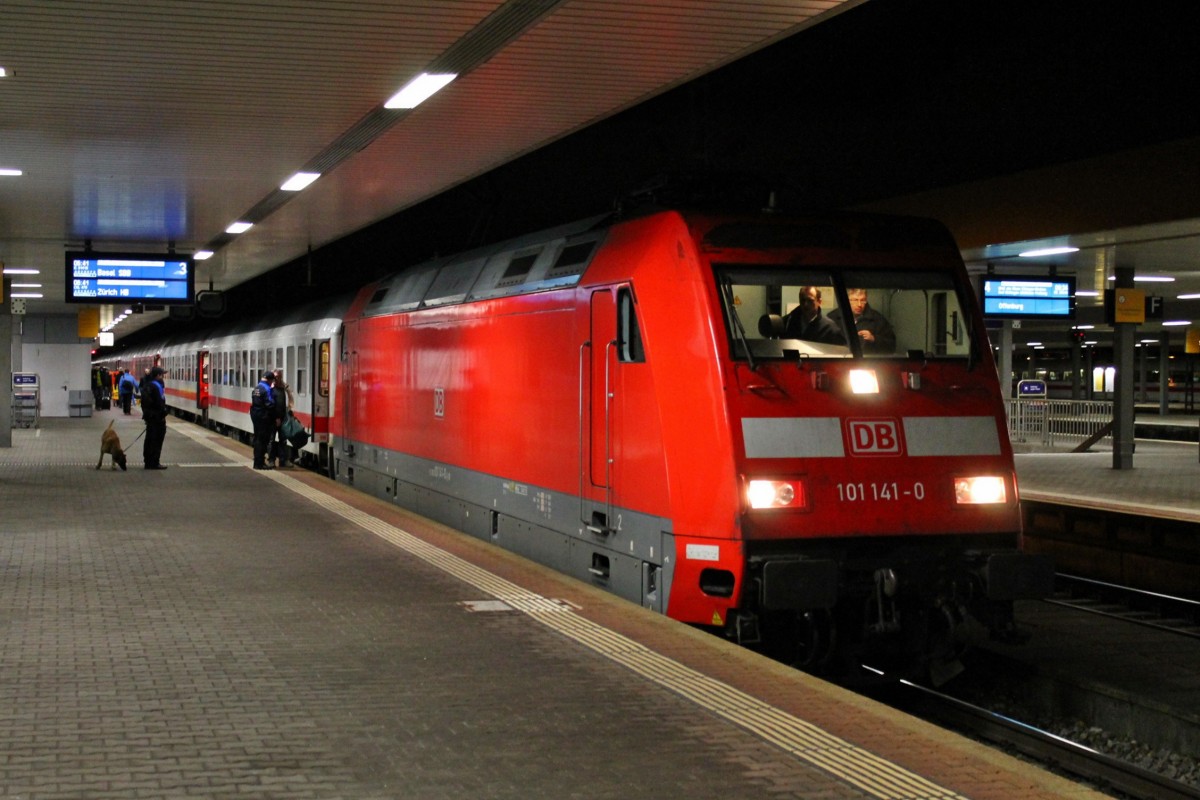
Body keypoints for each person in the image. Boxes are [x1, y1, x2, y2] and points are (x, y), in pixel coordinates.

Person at [829, 288, 896, 354]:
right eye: (855, 300)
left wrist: (873, 338)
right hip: (838, 359)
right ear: (847, 301)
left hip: (866, 360)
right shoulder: (833, 317)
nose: (859, 304)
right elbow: (824, 344)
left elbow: (891, 346)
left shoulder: (877, 319)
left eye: (863, 300)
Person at [141, 366, 168, 470]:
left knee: (149, 440)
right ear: (158, 375)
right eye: (162, 375)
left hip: (150, 417)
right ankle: (154, 462)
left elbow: (145, 403)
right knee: (156, 441)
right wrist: (162, 413)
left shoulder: (148, 385)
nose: (163, 377)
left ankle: (148, 462)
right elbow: (159, 403)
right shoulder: (156, 386)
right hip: (157, 419)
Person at [250, 371, 277, 470]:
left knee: (257, 439)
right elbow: (269, 403)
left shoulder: (256, 388)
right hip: (263, 417)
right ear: (269, 380)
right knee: (263, 440)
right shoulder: (266, 388)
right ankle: (260, 463)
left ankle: (257, 462)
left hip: (255, 415)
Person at [270, 369, 295, 468]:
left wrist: (289, 410)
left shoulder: (283, 388)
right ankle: (271, 460)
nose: (277, 379)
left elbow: (290, 398)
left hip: (283, 418)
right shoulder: (271, 389)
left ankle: (283, 460)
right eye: (276, 377)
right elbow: (270, 405)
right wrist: (276, 417)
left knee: (283, 440)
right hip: (273, 419)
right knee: (271, 440)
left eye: (279, 377)